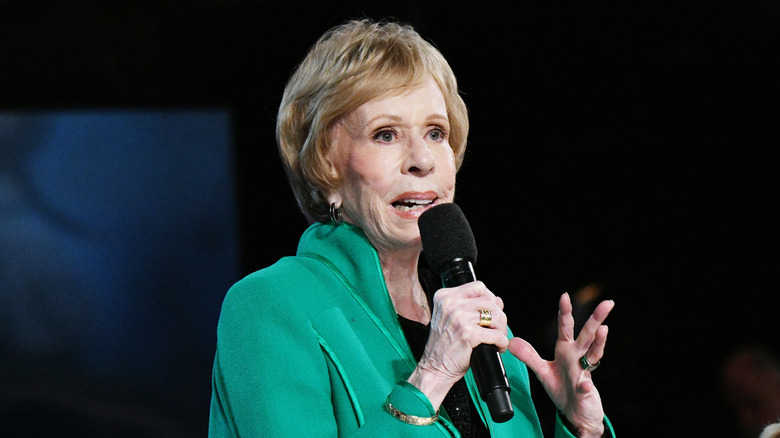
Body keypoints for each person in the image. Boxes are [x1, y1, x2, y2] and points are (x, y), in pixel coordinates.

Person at [208, 18, 616, 437]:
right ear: (326, 167)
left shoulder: (480, 322)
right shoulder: (269, 305)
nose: (422, 159)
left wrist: (580, 426)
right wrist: (431, 377)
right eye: (386, 135)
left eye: (436, 133)